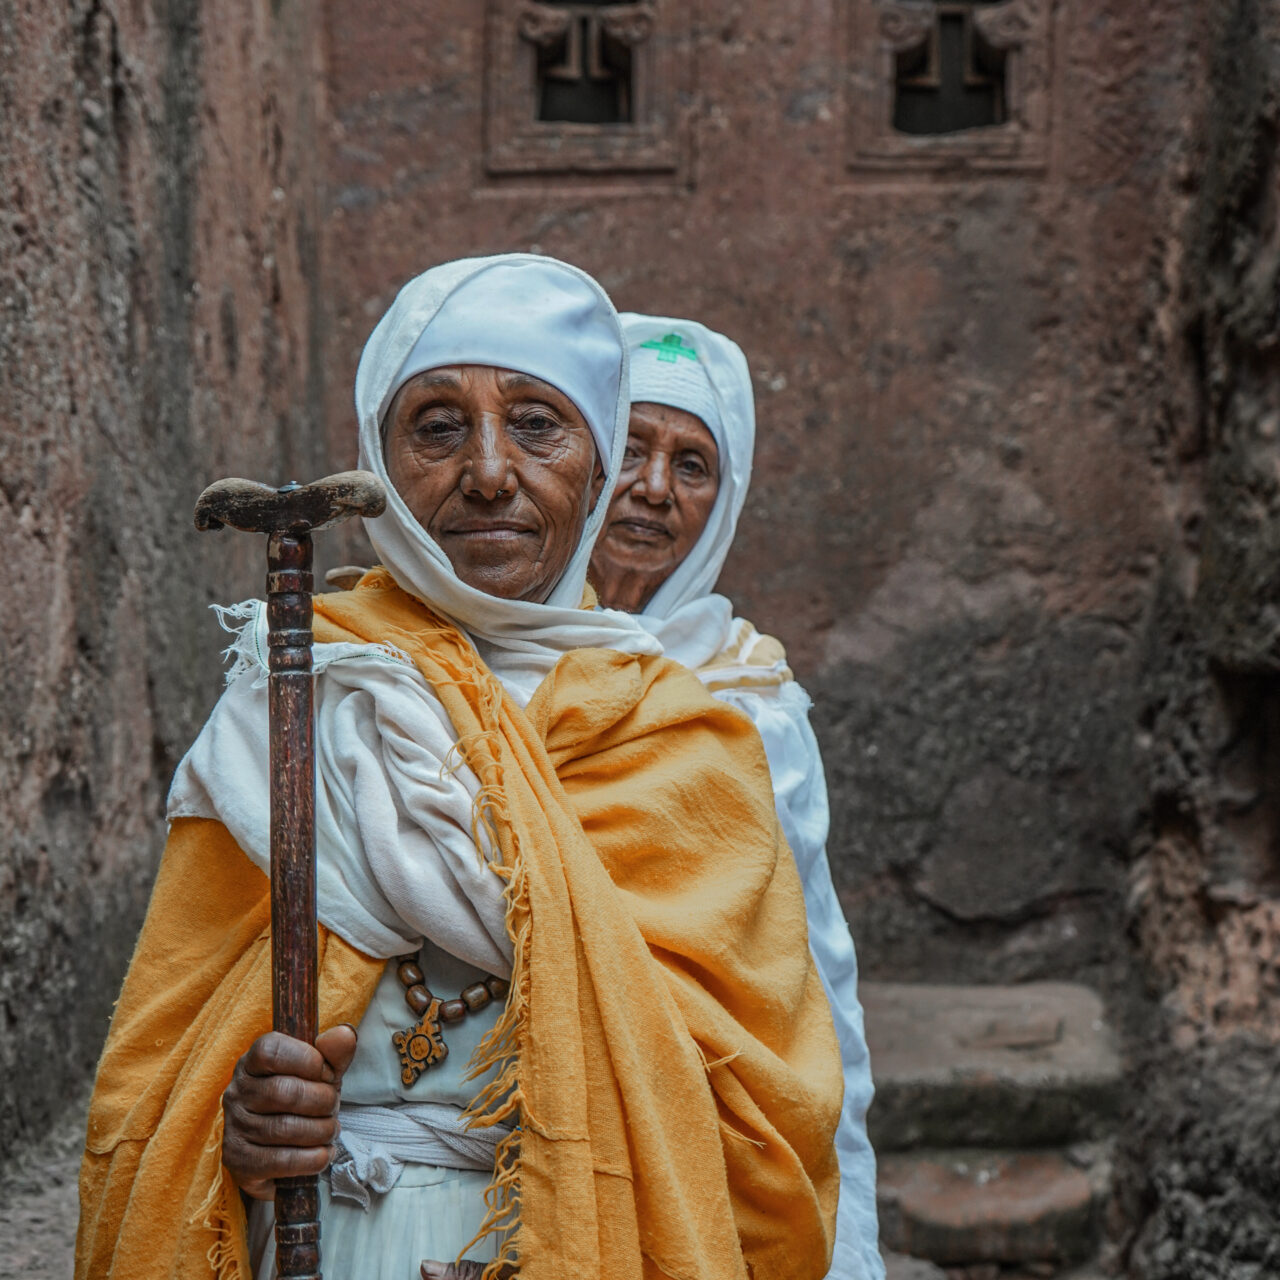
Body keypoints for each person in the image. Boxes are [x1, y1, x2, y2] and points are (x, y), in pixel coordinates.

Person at [76, 256, 843, 1280]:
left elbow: (761, 1111)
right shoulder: (294, 700)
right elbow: (161, 1064)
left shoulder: (683, 741)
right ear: (379, 463)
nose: (488, 470)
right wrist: (244, 1121)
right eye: (437, 427)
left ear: (598, 460)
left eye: (536, 424)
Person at [589, 313, 884, 1280]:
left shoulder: (750, 701)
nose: (654, 490)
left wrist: (847, 1236)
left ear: (726, 498)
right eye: (630, 447)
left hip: (708, 1132)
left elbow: (810, 970)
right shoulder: (490, 668)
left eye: (693, 465)